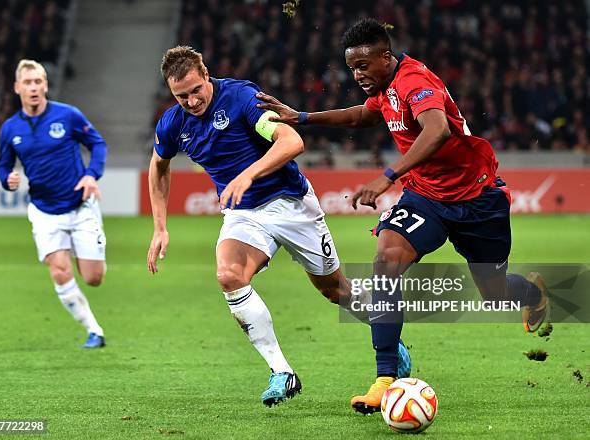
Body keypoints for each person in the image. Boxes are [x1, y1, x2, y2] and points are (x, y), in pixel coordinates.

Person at [257, 18, 549, 414]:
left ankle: (532, 292)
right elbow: (362, 115)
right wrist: (304, 118)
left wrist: (387, 176)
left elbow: (438, 130)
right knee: (385, 261)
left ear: (386, 56)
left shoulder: (414, 81)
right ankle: (385, 378)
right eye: (351, 68)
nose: (357, 74)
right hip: (426, 196)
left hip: (477, 198)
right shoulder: (386, 88)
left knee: (494, 290)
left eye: (363, 65)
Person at [147, 45, 411, 407]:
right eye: (181, 96)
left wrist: (247, 174)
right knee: (229, 275)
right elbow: (158, 166)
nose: (191, 101)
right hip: (244, 214)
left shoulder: (241, 97)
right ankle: (281, 372)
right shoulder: (172, 123)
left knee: (334, 290)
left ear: (206, 75)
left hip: (292, 205)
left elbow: (291, 140)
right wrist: (160, 227)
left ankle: (388, 338)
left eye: (196, 90)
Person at [0, 59, 108, 349]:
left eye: (38, 82)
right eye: (28, 82)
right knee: (59, 271)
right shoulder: (10, 129)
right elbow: (3, 166)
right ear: (17, 87)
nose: (33, 87)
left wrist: (91, 175)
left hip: (80, 205)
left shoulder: (68, 116)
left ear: (45, 85)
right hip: (44, 211)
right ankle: (94, 330)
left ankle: (78, 248)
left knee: (94, 278)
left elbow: (98, 144)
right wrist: (6, 178)